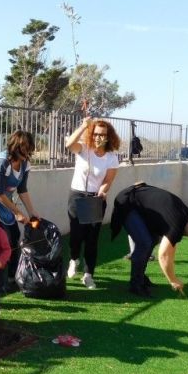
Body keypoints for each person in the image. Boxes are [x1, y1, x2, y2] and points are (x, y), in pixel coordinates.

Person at [110, 182, 188, 297]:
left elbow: (171, 247)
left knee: (153, 239)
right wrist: (173, 280)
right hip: (128, 202)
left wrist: (172, 275)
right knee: (145, 243)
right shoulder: (177, 222)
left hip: (140, 203)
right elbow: (164, 255)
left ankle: (140, 277)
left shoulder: (187, 217)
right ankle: (136, 285)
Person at [0, 130, 41, 288]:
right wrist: (17, 213)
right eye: (25, 148)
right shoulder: (2, 162)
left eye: (29, 148)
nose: (28, 152)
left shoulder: (25, 163)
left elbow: (22, 189)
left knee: (13, 237)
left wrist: (32, 212)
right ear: (16, 147)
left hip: (5, 203)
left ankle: (11, 278)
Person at [64, 117, 121, 289]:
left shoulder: (111, 157)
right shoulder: (83, 149)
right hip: (77, 196)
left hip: (96, 199)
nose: (98, 138)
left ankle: (88, 275)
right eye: (95, 134)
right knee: (76, 235)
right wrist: (83, 126)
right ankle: (74, 259)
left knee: (92, 239)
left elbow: (108, 180)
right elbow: (69, 144)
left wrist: (103, 191)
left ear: (108, 137)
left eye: (102, 135)